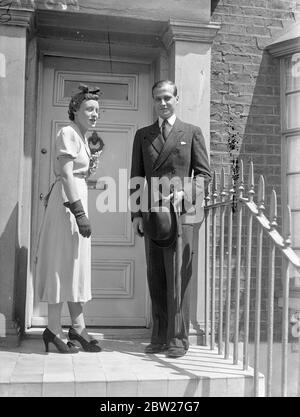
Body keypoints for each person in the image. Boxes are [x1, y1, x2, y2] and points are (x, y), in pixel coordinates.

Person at [130, 80, 211, 358]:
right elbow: (136, 177)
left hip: (181, 215)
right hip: (153, 215)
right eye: (157, 99)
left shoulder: (191, 132)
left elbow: (204, 174)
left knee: (178, 277)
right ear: (153, 101)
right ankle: (159, 337)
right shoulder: (143, 135)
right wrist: (135, 215)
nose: (162, 103)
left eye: (167, 97)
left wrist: (185, 192)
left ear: (177, 98)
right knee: (156, 275)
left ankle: (178, 339)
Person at [35, 85, 102, 353]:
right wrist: (79, 212)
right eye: (89, 109)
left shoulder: (82, 137)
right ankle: (52, 329)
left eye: (97, 109)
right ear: (75, 110)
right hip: (66, 205)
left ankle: (77, 326)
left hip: (76, 200)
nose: (95, 114)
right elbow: (65, 175)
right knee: (60, 264)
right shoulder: (67, 132)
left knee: (76, 264)